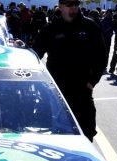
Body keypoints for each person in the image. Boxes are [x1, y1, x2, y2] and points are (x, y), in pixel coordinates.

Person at [32, 0, 106, 141]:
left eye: (76, 5)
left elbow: (101, 56)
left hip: (82, 89)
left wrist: (92, 81)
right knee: (56, 134)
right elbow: (36, 54)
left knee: (86, 132)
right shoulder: (51, 28)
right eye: (69, 5)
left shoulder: (90, 26)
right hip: (56, 90)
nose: (73, 8)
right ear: (60, 7)